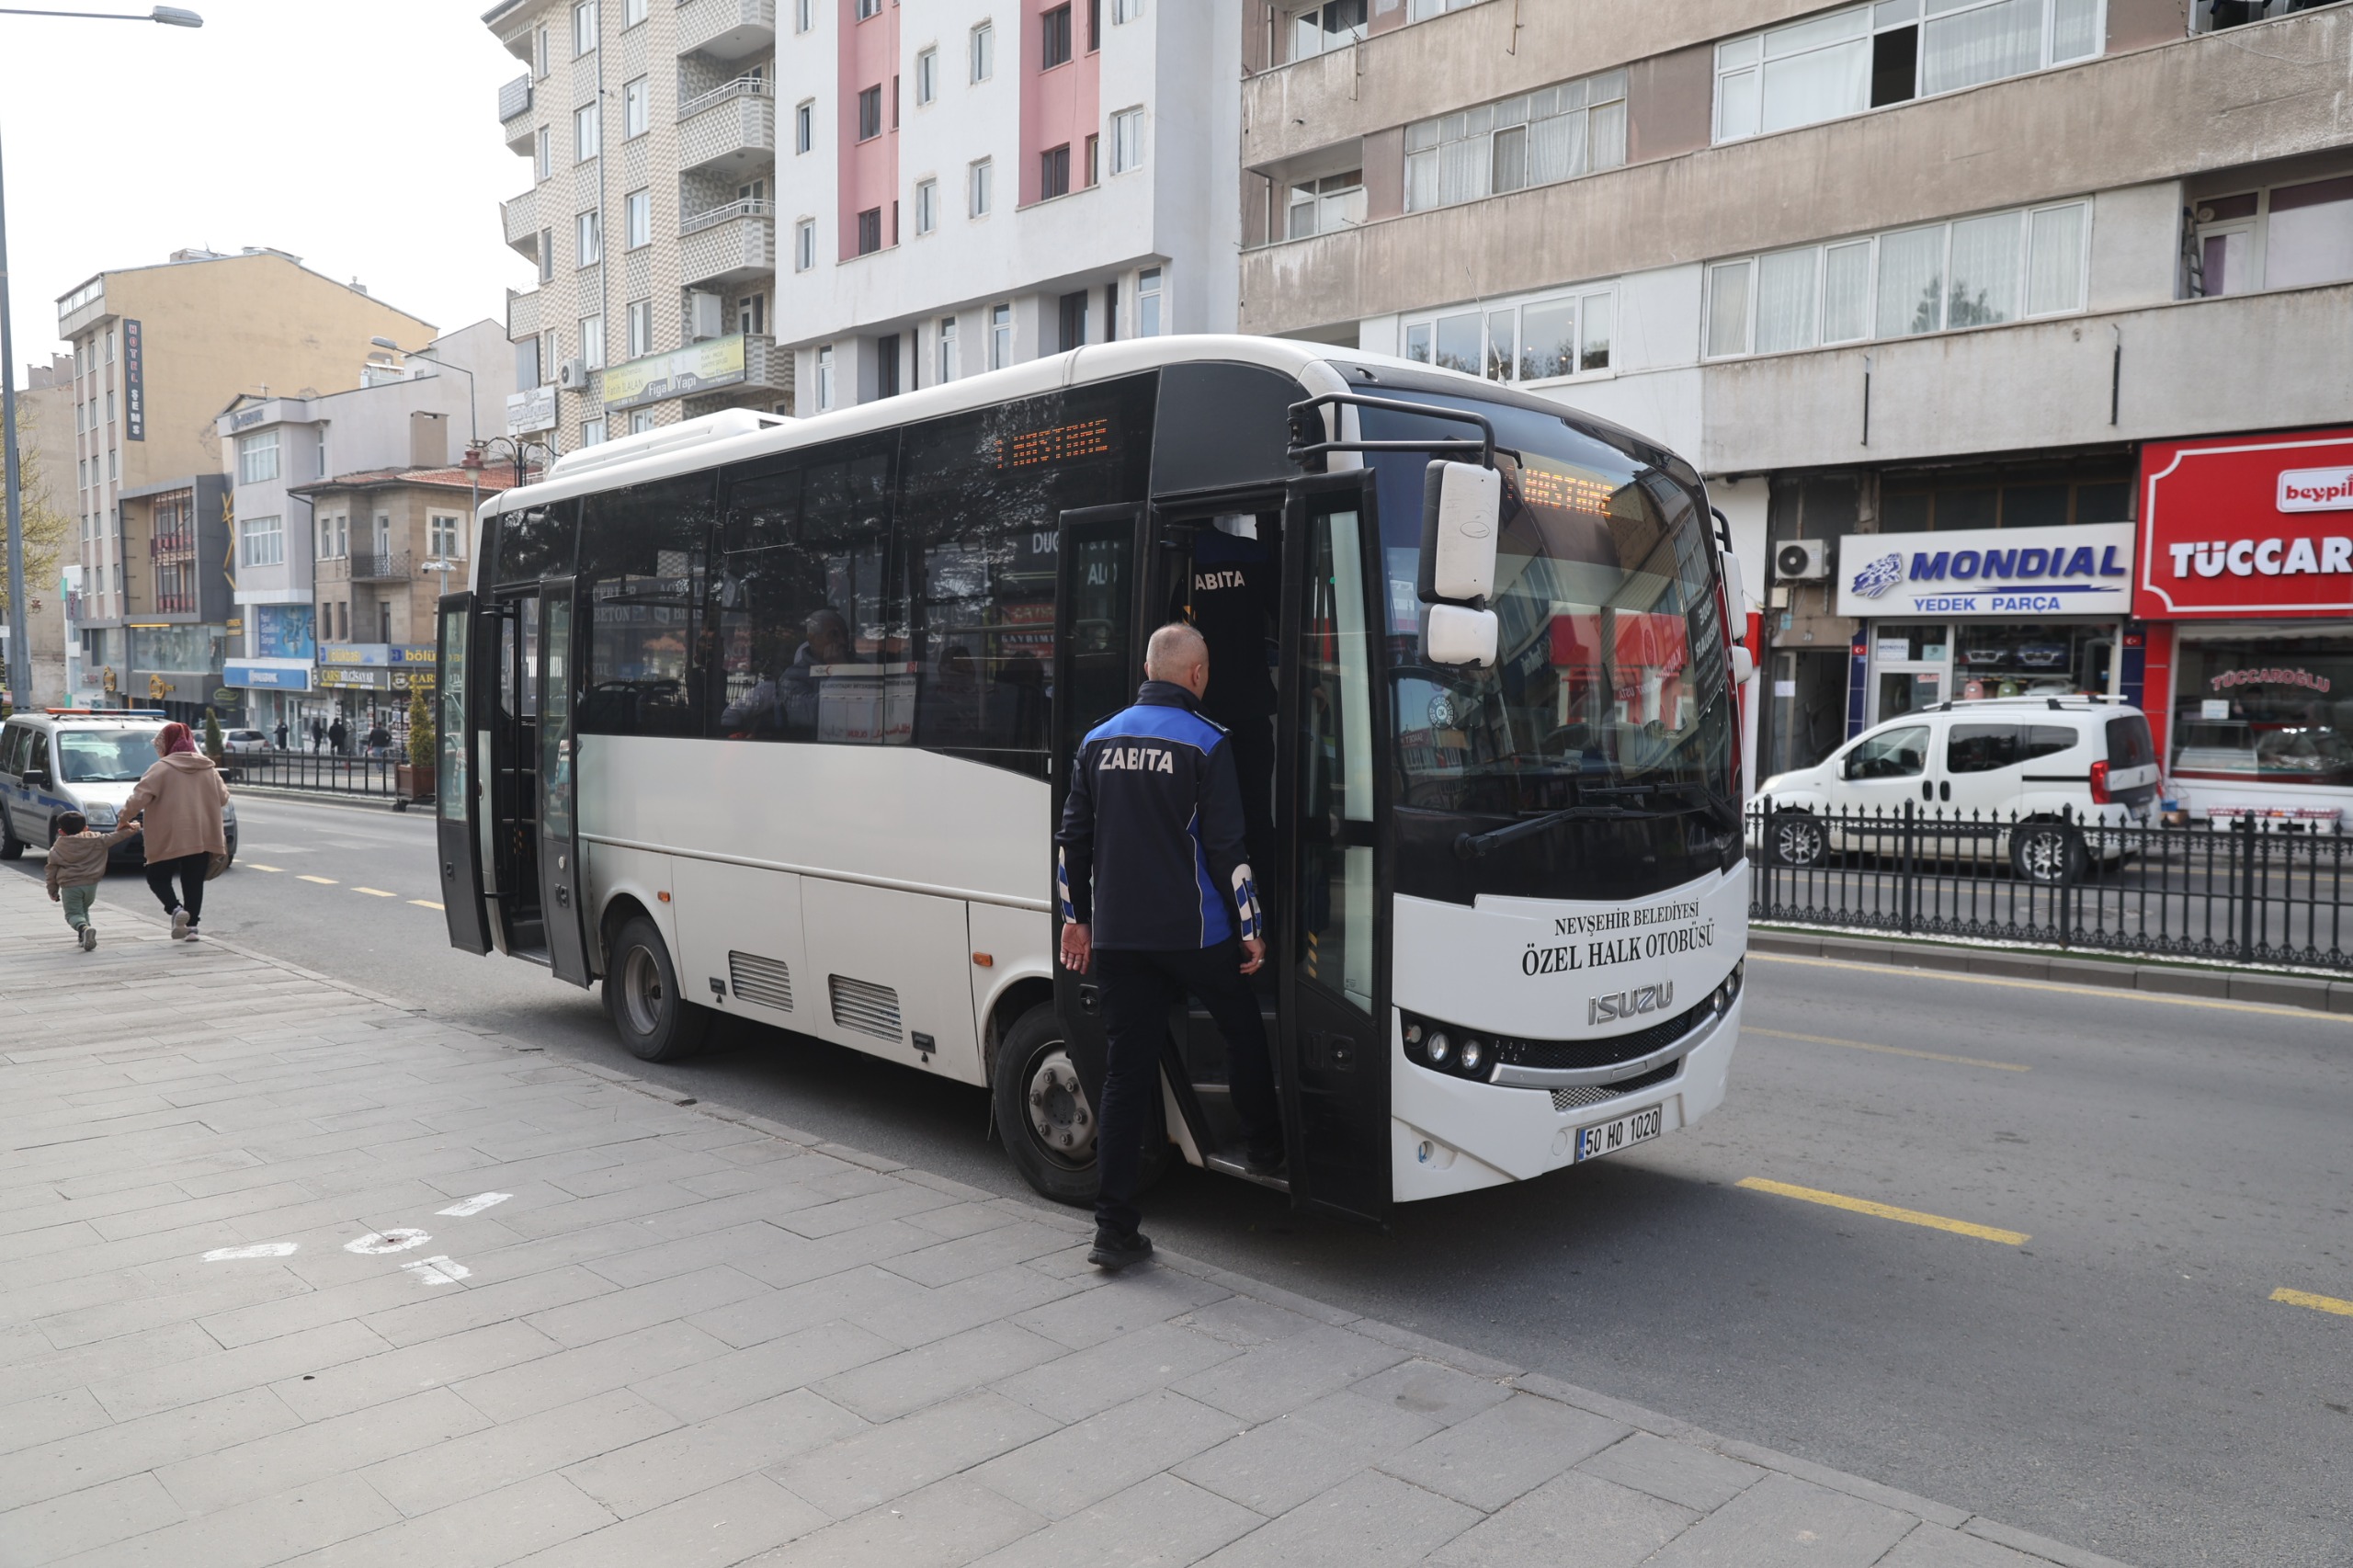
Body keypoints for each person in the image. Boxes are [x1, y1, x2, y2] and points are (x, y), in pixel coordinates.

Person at [1055, 622, 1284, 1272]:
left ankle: (1113, 1230)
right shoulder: (1209, 743)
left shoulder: (1097, 741)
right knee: (1241, 1028)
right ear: (1197, 675)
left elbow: (1071, 843)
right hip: (1196, 935)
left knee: (1126, 1075)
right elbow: (1227, 850)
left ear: (1147, 668)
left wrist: (1076, 921)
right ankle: (1265, 1149)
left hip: (1121, 940)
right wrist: (1250, 925)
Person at [121, 721, 230, 942]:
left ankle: (175, 910)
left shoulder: (160, 769)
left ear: (166, 744)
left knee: (157, 877)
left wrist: (123, 819)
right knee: (193, 881)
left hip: (168, 835)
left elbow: (138, 799)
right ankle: (191, 929)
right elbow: (223, 798)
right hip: (201, 835)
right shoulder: (208, 768)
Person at [44, 811, 142, 950]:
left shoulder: (57, 849)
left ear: (61, 831)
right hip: (91, 885)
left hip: (70, 886)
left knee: (73, 914)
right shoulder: (99, 840)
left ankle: (83, 929)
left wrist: (52, 890)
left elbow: (51, 871)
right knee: (84, 910)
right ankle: (84, 936)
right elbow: (120, 835)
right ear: (86, 828)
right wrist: (135, 826)